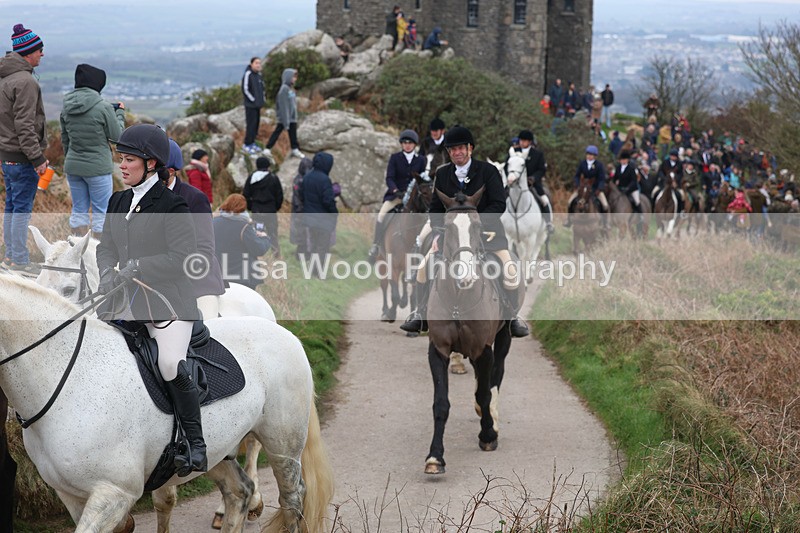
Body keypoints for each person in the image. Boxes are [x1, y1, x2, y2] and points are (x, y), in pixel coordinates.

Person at [96, 124, 206, 477]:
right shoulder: (118, 200)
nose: (122, 166)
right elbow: (105, 247)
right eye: (121, 159)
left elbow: (181, 258)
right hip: (125, 302)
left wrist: (137, 266)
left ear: (151, 163)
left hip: (169, 303)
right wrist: (107, 274)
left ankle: (196, 443)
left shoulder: (172, 205)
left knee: (170, 363)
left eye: (129, 160)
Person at [400, 126, 529, 338]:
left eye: (461, 148)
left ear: (470, 149)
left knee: (510, 272)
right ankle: (420, 314)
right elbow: (435, 209)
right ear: (448, 152)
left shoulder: (488, 172)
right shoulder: (442, 174)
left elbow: (498, 204)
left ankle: (512, 318)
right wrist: (439, 232)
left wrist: (475, 222)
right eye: (452, 150)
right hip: (451, 236)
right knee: (422, 269)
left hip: (488, 235)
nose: (457, 153)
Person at [0, 24, 47, 274]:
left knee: (12, 206)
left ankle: (10, 257)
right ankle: (19, 260)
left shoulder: (5, 77)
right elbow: (25, 125)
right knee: (21, 210)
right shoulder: (25, 81)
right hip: (21, 157)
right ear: (29, 52)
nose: (42, 54)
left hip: (7, 156)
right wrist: (37, 157)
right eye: (40, 49)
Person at [60, 63, 125, 239]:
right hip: (98, 168)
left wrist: (71, 159)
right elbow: (117, 136)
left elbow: (64, 138)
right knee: (101, 212)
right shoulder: (103, 107)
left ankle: (76, 251)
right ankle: (99, 255)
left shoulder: (66, 105)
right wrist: (119, 114)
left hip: (73, 166)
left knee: (78, 209)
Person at [165, 139, 225, 319]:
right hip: (155, 283)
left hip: (198, 283)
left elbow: (205, 249)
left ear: (170, 171)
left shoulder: (194, 198)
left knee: (207, 327)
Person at [368, 129, 425, 263]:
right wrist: (395, 190)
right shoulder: (395, 158)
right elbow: (389, 178)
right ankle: (375, 246)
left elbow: (422, 179)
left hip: (413, 198)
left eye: (410, 143)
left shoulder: (421, 160)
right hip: (395, 197)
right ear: (401, 144)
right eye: (404, 142)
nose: (407, 145)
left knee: (424, 217)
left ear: (415, 144)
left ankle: (422, 246)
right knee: (381, 215)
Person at [213, 193, 271, 290]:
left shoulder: (213, 222)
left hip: (218, 277)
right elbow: (259, 249)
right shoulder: (244, 226)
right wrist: (265, 238)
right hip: (241, 279)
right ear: (243, 208)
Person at [298, 152, 337, 278]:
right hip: (323, 219)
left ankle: (312, 271)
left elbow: (301, 195)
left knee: (314, 245)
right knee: (322, 247)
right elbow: (327, 200)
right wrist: (334, 212)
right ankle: (319, 274)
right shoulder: (325, 180)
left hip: (309, 218)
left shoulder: (307, 176)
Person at [512, 129, 553, 232]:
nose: (522, 142)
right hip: (515, 184)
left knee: (544, 200)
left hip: (532, 184)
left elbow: (542, 169)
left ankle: (548, 223)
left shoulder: (537, 154)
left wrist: (534, 178)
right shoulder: (514, 152)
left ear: (529, 142)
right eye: (521, 140)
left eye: (524, 140)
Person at [242, 156, 283, 256]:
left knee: (257, 231)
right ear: (268, 165)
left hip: (257, 210)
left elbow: (246, 194)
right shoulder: (273, 178)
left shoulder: (252, 178)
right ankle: (275, 254)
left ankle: (257, 254)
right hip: (270, 210)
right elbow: (279, 195)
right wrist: (275, 207)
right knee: (272, 232)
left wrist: (251, 207)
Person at [564, 145, 609, 227]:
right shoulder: (582, 163)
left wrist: (599, 188)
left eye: (591, 155)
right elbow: (577, 176)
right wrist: (577, 185)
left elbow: (602, 179)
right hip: (583, 189)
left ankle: (605, 223)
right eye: (588, 154)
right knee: (569, 202)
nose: (589, 156)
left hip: (595, 189)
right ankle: (569, 220)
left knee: (605, 205)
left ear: (595, 156)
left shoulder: (599, 165)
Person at [264, 68, 302, 159]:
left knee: (293, 134)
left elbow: (292, 103)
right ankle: (267, 148)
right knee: (277, 132)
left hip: (292, 117)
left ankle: (295, 148)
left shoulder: (291, 89)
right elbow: (283, 106)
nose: (295, 79)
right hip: (285, 117)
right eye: (293, 77)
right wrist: (286, 121)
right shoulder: (284, 89)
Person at [290, 157, 314, 258]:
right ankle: (301, 254)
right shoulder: (299, 180)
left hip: (305, 210)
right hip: (300, 210)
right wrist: (300, 209)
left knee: (306, 233)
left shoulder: (303, 179)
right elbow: (297, 197)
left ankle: (305, 253)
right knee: (301, 233)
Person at [241, 57, 265, 156]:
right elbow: (245, 89)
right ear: (251, 64)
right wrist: (253, 100)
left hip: (257, 105)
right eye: (256, 63)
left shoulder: (259, 76)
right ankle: (247, 144)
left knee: (256, 124)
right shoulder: (248, 74)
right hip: (250, 105)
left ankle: (253, 142)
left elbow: (262, 89)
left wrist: (263, 99)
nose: (258, 65)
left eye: (259, 63)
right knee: (250, 124)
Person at [614, 150, 642, 217]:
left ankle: (641, 216)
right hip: (620, 189)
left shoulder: (631, 168)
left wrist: (628, 188)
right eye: (621, 159)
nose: (623, 161)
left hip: (631, 189)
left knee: (637, 201)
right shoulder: (618, 168)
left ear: (627, 160)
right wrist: (615, 182)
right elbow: (615, 178)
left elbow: (634, 181)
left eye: (624, 159)